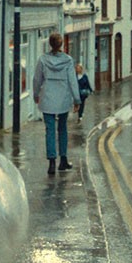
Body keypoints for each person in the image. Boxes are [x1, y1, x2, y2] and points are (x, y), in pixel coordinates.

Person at [32, 33, 81, 175]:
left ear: (50, 44)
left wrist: (36, 94)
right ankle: (63, 160)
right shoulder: (68, 60)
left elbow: (37, 79)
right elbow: (72, 81)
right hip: (63, 99)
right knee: (62, 129)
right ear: (61, 45)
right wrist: (77, 100)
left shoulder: (43, 60)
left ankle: (52, 162)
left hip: (47, 98)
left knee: (50, 130)